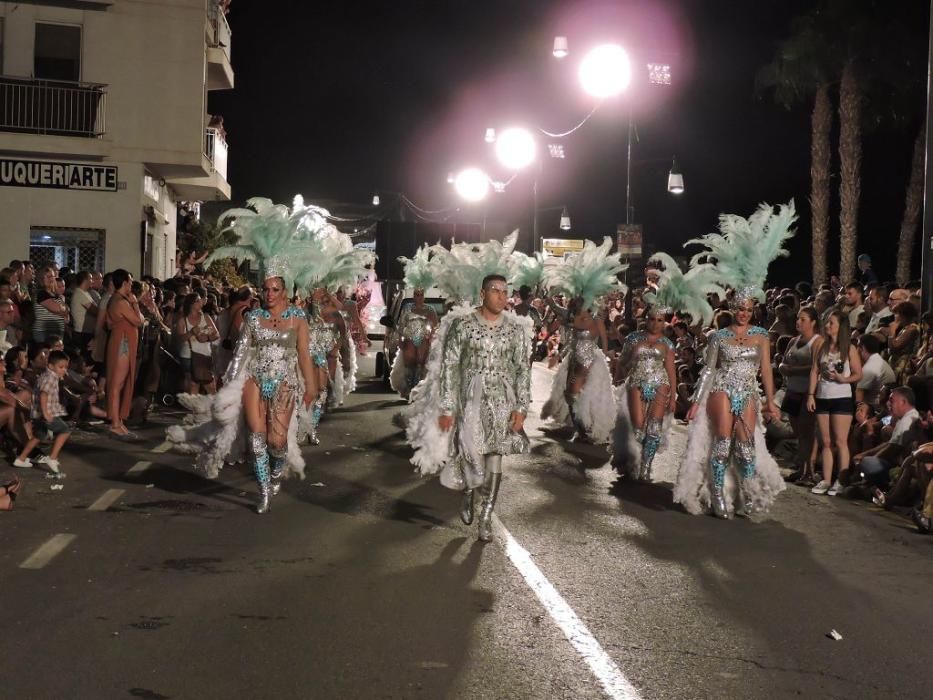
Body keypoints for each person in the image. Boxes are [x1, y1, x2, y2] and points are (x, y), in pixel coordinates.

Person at [168, 197, 324, 513]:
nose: (267, 295)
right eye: (264, 289)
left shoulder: (297, 318)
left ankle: (277, 470)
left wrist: (311, 386)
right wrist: (228, 382)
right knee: (257, 436)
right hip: (255, 378)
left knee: (277, 442)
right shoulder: (253, 318)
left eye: (274, 290)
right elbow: (241, 353)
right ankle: (264, 489)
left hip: (285, 382)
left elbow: (304, 354)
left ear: (285, 289)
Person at [676, 201, 795, 518]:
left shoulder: (761, 336)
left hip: (749, 392)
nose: (743, 312)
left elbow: (767, 371)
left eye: (748, 308)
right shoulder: (719, 336)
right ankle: (716, 496)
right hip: (720, 390)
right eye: (739, 308)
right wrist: (696, 401)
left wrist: (771, 402)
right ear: (733, 306)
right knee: (722, 444)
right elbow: (708, 370)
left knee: (746, 450)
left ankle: (745, 493)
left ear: (753, 308)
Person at [436, 275, 531, 541]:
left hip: (502, 402)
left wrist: (521, 407)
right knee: (470, 454)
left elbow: (523, 369)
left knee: (495, 456)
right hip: (470, 402)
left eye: (505, 291)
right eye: (495, 291)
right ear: (482, 293)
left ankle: (486, 515)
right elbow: (450, 368)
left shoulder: (515, 330)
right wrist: (447, 407)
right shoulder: (462, 325)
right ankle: (467, 492)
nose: (502, 296)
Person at [807, 310, 863, 495]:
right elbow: (814, 370)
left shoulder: (849, 348)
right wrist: (810, 394)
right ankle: (826, 479)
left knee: (840, 441)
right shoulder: (821, 346)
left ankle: (841, 480)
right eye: (827, 323)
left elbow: (858, 374)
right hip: (823, 396)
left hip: (841, 397)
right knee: (826, 441)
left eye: (831, 323)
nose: (827, 326)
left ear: (841, 326)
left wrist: (842, 379)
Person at [778, 306, 820, 484]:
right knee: (799, 434)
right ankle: (802, 468)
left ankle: (809, 472)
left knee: (807, 433)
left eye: (803, 319)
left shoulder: (818, 342)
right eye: (798, 318)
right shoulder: (793, 341)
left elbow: (817, 367)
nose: (798, 322)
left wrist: (793, 370)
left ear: (813, 322)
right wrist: (784, 368)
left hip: (807, 392)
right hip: (792, 391)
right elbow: (782, 362)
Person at [13, 349, 71, 477]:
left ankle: (21, 459)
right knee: (65, 431)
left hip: (38, 414)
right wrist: (46, 413)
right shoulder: (50, 378)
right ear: (51, 366)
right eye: (61, 367)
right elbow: (44, 395)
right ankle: (53, 457)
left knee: (38, 436)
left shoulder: (46, 375)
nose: (64, 370)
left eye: (65, 367)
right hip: (46, 413)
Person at [854, 386, 921, 487]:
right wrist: (865, 454)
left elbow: (892, 449)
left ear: (903, 402)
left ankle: (875, 485)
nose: (888, 404)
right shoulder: (903, 418)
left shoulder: (908, 420)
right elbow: (890, 443)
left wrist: (871, 459)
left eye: (892, 401)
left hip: (901, 466)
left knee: (867, 463)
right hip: (896, 462)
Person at [175, 293, 219, 395]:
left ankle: (208, 406)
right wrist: (191, 333)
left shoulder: (206, 317)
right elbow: (179, 339)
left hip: (204, 354)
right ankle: (195, 408)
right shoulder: (183, 320)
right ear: (192, 304)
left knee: (209, 385)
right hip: (188, 355)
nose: (201, 302)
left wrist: (207, 338)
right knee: (193, 384)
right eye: (198, 300)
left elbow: (216, 334)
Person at [855, 334, 896, 410]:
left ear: (862, 348)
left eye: (858, 346)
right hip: (882, 406)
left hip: (876, 409)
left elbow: (859, 396)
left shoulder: (870, 367)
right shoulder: (877, 360)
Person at [69, 271, 98, 357]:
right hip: (82, 332)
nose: (92, 281)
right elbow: (95, 311)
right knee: (84, 357)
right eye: (91, 278)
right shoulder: (79, 293)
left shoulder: (85, 293)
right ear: (86, 280)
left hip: (86, 331)